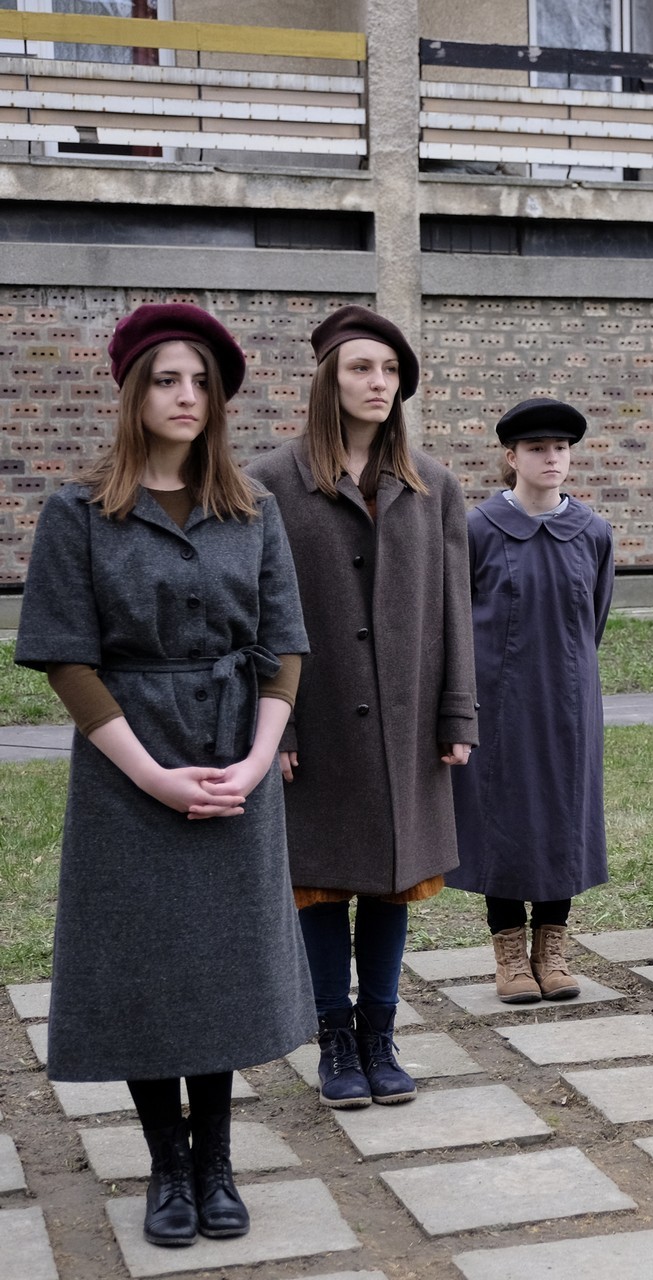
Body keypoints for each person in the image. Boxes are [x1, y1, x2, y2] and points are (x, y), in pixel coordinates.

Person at [15, 304, 311, 1247]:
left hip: (234, 757)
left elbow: (284, 647)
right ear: (133, 392)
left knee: (219, 967)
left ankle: (217, 1163)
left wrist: (256, 762)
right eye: (166, 379)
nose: (186, 396)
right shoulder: (78, 513)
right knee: (148, 966)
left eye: (200, 382)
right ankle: (167, 1169)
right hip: (128, 767)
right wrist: (150, 776)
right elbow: (68, 660)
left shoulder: (253, 509)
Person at [250, 305, 477, 1107]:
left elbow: (454, 609)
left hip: (409, 719)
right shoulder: (270, 484)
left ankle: (380, 1034)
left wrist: (458, 714)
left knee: (394, 876)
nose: (378, 383)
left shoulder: (433, 485)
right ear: (329, 380)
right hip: (310, 716)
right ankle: (335, 1040)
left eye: (390, 372)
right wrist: (275, 724)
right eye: (361, 368)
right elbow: (257, 614)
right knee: (319, 879)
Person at [450, 398, 615, 1002]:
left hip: (569, 700)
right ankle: (510, 953)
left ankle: (553, 947)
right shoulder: (477, 529)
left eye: (560, 448)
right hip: (498, 702)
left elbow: (594, 617)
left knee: (562, 813)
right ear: (511, 457)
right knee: (503, 817)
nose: (552, 459)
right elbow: (455, 616)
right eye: (537, 449)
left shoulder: (592, 532)